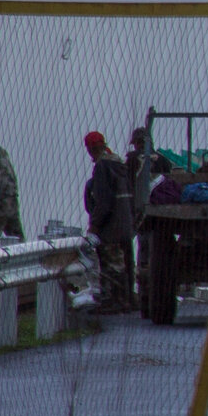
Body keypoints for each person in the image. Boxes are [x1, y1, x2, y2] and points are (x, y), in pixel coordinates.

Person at [82, 131, 134, 311]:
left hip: (110, 227)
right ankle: (125, 300)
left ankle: (113, 301)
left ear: (89, 149)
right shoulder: (119, 163)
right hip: (125, 223)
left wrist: (94, 226)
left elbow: (103, 200)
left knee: (110, 263)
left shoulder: (102, 167)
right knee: (121, 263)